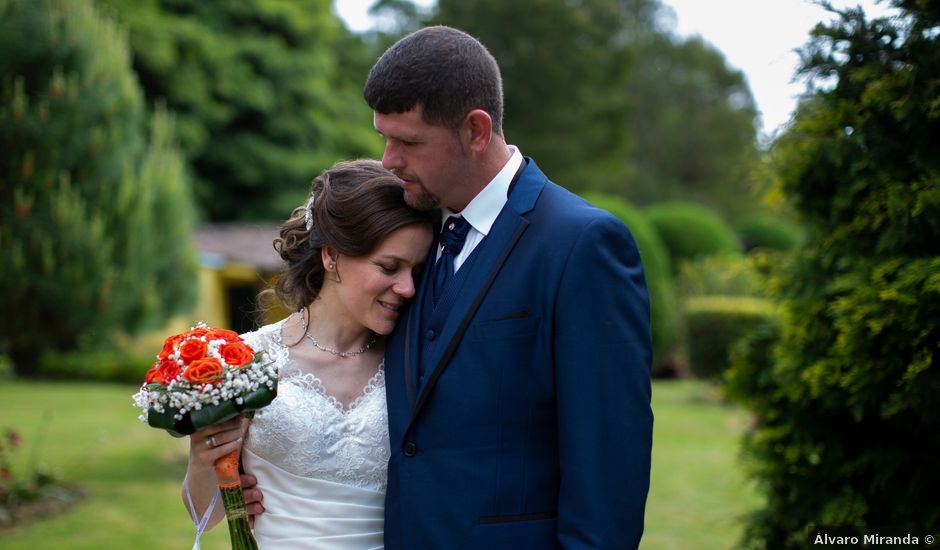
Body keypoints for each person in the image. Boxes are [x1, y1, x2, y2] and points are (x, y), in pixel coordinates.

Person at [248, 25, 654, 549]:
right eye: (383, 138)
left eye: (409, 141)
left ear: (476, 131)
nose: (389, 161)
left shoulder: (582, 244)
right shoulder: (417, 232)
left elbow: (608, 468)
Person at [182, 159, 433, 549]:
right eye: (389, 267)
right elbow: (208, 516)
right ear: (331, 255)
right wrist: (204, 457)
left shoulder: (418, 361)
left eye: (416, 272)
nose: (407, 288)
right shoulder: (248, 360)